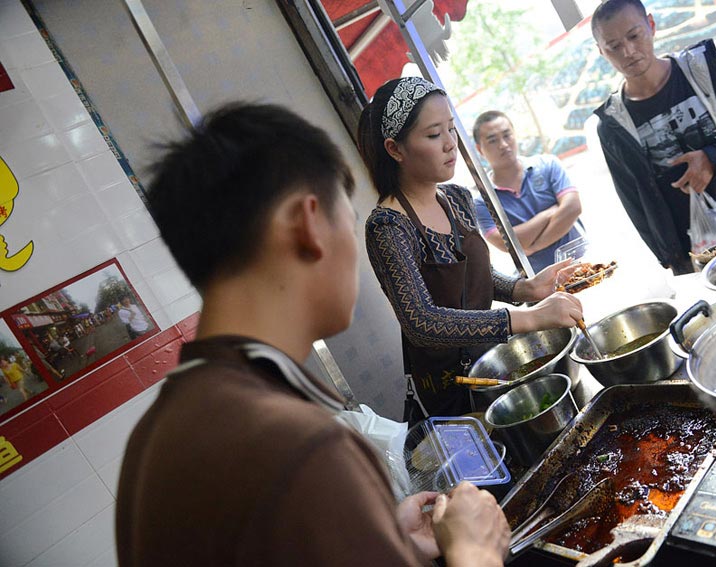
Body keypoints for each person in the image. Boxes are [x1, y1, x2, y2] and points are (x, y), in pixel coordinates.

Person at [116, 103, 510, 567]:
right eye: (346, 212)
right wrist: (475, 552)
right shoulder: (299, 442)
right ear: (307, 224)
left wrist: (394, 546)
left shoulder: (160, 431)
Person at [360, 77, 584, 418]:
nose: (451, 144)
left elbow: (476, 277)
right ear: (395, 149)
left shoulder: (457, 199)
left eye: (451, 129)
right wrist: (529, 317)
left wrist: (525, 287)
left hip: (494, 363)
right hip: (454, 389)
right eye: (434, 135)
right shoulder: (388, 227)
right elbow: (422, 322)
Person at [592, 0, 716, 275]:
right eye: (613, 46)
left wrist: (715, 156)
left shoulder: (706, 68)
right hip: (696, 257)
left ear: (651, 25)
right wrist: (670, 259)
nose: (628, 51)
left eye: (634, 35)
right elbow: (633, 198)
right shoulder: (613, 125)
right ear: (602, 51)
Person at [472, 110, 583, 273]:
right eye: (493, 140)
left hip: (582, 266)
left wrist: (534, 245)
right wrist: (548, 214)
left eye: (507, 135)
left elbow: (573, 208)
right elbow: (507, 244)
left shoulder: (547, 165)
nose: (503, 144)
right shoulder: (482, 202)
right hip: (539, 285)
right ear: (479, 149)